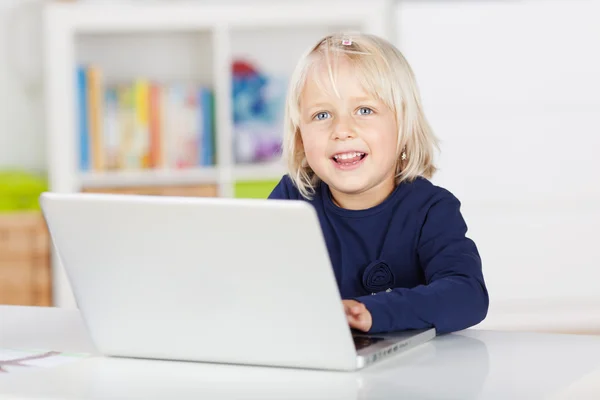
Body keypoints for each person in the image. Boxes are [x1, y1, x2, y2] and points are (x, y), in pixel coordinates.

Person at [268, 32, 488, 335]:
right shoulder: (290, 200)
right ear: (299, 135)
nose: (342, 130)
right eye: (322, 114)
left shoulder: (430, 210)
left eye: (364, 110)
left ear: (404, 126)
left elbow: (467, 295)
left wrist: (373, 311)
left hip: (415, 371)